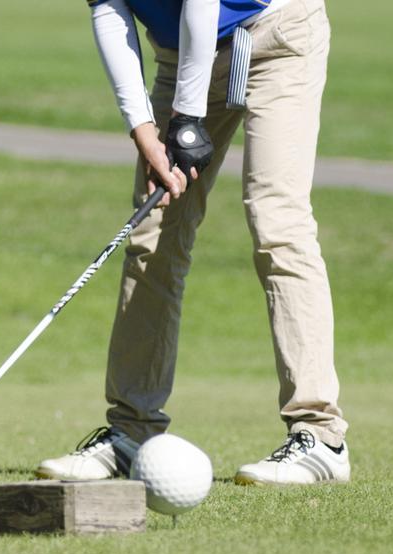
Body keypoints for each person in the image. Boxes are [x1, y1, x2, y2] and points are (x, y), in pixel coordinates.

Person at [36, 0, 349, 485]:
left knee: (277, 221)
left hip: (275, 36)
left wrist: (185, 117)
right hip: (179, 54)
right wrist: (143, 129)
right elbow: (108, 9)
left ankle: (321, 436)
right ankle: (131, 432)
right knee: (152, 230)